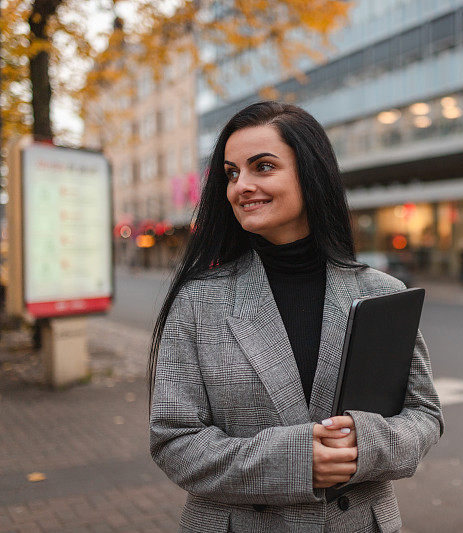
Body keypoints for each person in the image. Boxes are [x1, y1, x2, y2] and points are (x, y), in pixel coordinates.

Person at [148, 101, 444, 533]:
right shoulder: (198, 302)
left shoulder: (381, 293)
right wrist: (296, 461)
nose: (240, 186)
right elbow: (174, 441)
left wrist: (367, 444)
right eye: (231, 173)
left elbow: (425, 415)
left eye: (262, 167)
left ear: (311, 173)